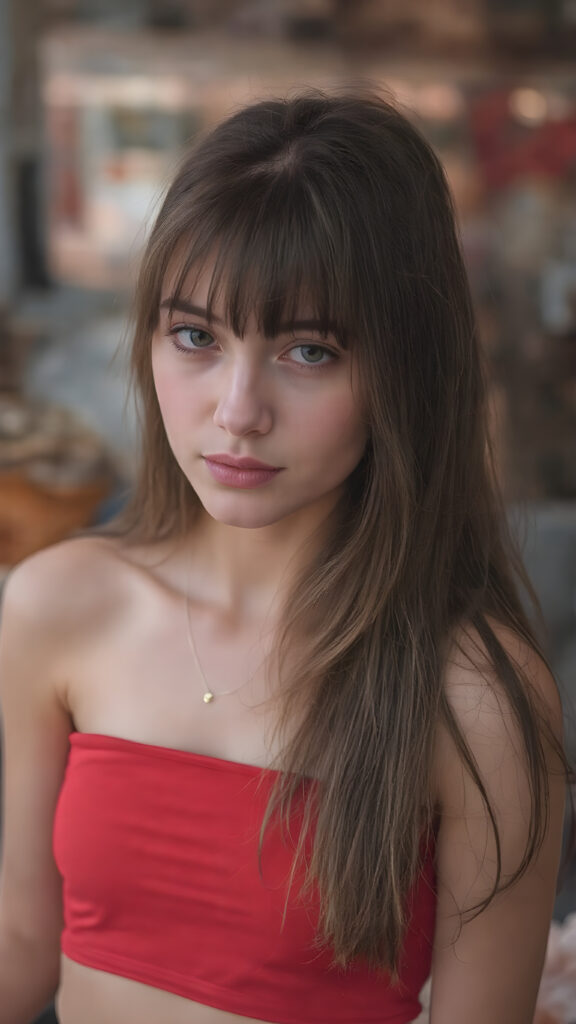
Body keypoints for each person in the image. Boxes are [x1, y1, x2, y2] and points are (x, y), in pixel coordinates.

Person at [0, 89, 570, 1024]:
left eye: (307, 352)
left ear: (405, 371)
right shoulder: (61, 604)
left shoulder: (474, 698)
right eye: (195, 337)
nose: (236, 411)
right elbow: (24, 950)